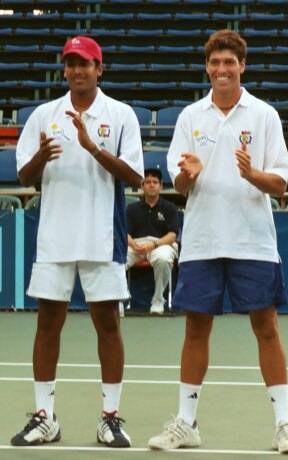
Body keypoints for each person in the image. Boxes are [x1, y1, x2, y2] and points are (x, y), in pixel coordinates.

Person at [148, 29, 288, 454]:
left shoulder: (265, 115)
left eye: (229, 63)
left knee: (266, 327)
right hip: (202, 240)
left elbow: (280, 184)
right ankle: (186, 423)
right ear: (207, 67)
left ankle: (285, 425)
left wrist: (252, 174)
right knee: (196, 328)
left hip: (252, 241)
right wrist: (188, 175)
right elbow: (179, 184)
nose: (222, 70)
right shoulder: (190, 118)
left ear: (242, 67)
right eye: (215, 63)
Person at [11, 35, 143, 448]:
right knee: (48, 323)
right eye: (70, 63)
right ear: (64, 70)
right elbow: (23, 177)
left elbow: (137, 177)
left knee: (108, 324)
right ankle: (44, 417)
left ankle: (110, 417)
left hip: (102, 237)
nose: (77, 70)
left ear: (99, 69)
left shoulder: (120, 115)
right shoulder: (43, 116)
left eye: (84, 63)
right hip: (55, 237)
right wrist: (40, 158)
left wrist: (93, 148)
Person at [126, 168, 179, 314]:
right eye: (147, 182)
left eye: (155, 182)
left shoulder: (170, 208)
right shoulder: (131, 208)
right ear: (142, 185)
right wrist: (132, 244)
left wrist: (154, 244)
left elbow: (173, 235)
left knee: (163, 258)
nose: (151, 185)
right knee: (117, 259)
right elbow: (125, 233)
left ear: (161, 186)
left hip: (160, 244)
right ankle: (118, 300)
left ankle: (158, 300)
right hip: (136, 244)